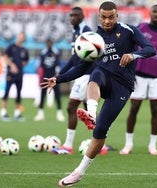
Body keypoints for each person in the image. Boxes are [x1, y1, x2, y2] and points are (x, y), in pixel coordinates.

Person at [41, 1, 156, 186]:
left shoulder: (129, 30)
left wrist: (134, 55)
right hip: (103, 78)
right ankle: (91, 113)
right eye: (103, 17)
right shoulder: (94, 38)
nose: (107, 21)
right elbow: (81, 68)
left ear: (117, 16)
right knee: (94, 74)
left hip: (123, 86)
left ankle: (79, 172)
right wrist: (58, 78)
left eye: (111, 17)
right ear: (98, 16)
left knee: (100, 132)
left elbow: (151, 49)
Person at [119, 4, 157, 156]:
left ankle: (152, 145)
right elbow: (130, 47)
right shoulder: (141, 28)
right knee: (134, 108)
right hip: (138, 76)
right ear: (150, 13)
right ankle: (128, 144)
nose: (156, 14)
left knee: (155, 110)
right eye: (154, 12)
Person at [58, 6, 93, 154]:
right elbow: (74, 57)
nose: (72, 18)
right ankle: (100, 145)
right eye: (71, 15)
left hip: (85, 74)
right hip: (82, 73)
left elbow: (86, 55)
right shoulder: (76, 32)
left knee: (71, 107)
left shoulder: (85, 31)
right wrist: (60, 74)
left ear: (82, 16)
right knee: (90, 112)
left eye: (75, 15)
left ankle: (68, 145)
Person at [0, 32, 29, 122]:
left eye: (23, 37)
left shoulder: (24, 50)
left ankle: (17, 113)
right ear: (17, 36)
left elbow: (26, 61)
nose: (21, 38)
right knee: (7, 92)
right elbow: (5, 58)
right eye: (20, 36)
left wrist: (21, 65)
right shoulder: (11, 47)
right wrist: (12, 65)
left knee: (19, 93)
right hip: (10, 74)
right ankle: (3, 112)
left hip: (20, 74)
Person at [33, 38, 65, 122]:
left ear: (52, 43)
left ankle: (59, 113)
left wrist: (57, 76)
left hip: (53, 77)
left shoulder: (55, 52)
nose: (49, 44)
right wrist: (41, 77)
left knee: (57, 95)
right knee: (42, 94)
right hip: (45, 77)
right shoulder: (43, 52)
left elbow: (58, 65)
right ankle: (40, 113)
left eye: (50, 43)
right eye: (47, 43)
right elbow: (41, 66)